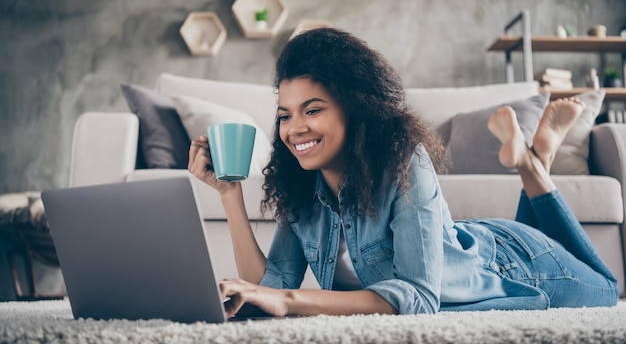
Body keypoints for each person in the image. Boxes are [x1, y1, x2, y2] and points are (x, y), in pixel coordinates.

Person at [188, 27, 619, 318]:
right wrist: (229, 195)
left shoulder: (402, 162)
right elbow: (270, 284)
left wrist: (288, 300)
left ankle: (532, 164)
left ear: (356, 110)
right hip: (467, 240)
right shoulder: (304, 185)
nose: (294, 128)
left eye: (313, 110)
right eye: (285, 115)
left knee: (604, 289)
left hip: (514, 265)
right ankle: (535, 156)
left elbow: (418, 296)